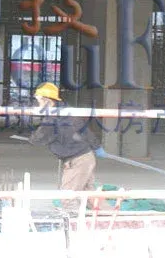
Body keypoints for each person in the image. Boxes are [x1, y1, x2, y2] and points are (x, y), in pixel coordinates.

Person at [28, 82, 110, 213]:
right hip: (86, 157)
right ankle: (111, 216)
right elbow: (86, 131)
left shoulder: (51, 119)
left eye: (39, 101)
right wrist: (97, 147)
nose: (38, 105)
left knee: (67, 196)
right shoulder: (69, 112)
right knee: (88, 193)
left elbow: (38, 139)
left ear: (47, 100)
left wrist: (32, 137)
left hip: (77, 161)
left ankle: (73, 221)